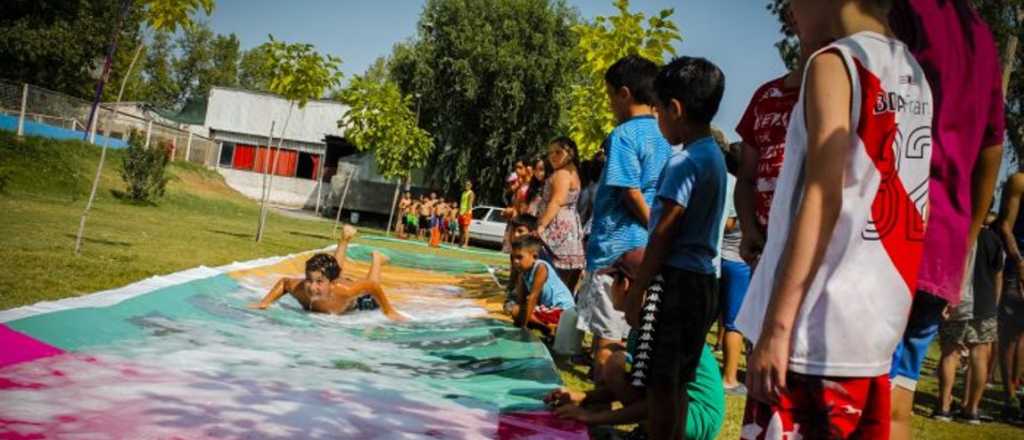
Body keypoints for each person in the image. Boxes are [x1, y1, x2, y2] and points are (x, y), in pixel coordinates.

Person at [735, 0, 934, 437]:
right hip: (873, 326)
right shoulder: (913, 73)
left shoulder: (834, 64)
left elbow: (822, 198)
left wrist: (776, 327)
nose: (789, 11)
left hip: (813, 326)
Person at [887, 1, 1006, 436]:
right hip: (945, 241)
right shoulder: (980, 34)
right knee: (900, 394)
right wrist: (967, 238)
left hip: (887, 228)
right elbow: (992, 147)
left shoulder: (905, 9)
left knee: (854, 387)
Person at [620, 56, 726, 440]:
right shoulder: (713, 156)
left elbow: (664, 231)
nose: (657, 119)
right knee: (679, 381)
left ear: (675, 109)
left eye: (658, 110)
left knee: (661, 385)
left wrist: (639, 290)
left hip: (675, 284)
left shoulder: (684, 162)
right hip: (702, 283)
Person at [577, 55, 672, 383]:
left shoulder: (624, 135)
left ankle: (602, 400)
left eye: (609, 95)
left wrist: (655, 227)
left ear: (625, 94)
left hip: (616, 249)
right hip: (644, 250)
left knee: (607, 337)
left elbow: (628, 190)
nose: (609, 104)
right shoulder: (665, 134)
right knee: (628, 330)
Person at [544, 344, 724, 440]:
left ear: (627, 286)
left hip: (696, 419)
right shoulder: (641, 326)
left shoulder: (659, 330)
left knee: (613, 361)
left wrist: (591, 417)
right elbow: (640, 386)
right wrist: (581, 396)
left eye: (614, 280)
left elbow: (653, 403)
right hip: (683, 411)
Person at [249, 225, 407, 321]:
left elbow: (372, 286)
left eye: (319, 282)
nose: (311, 287)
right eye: (309, 280)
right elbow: (284, 282)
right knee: (332, 270)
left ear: (332, 284)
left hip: (353, 302)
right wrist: (265, 302)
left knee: (368, 295)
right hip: (333, 278)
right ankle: (344, 239)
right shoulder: (301, 288)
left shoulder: (346, 290)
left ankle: (377, 259)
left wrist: (389, 311)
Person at [934, 213, 1003, 424]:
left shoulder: (958, 232)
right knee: (980, 356)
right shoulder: (993, 239)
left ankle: (944, 407)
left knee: (950, 353)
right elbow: (997, 274)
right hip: (984, 304)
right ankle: (971, 409)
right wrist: (995, 304)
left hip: (956, 299)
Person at [718, 142, 749, 395]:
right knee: (735, 323)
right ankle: (729, 378)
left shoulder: (720, 183)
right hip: (738, 263)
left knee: (720, 317)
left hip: (721, 259)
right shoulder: (741, 193)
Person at [506, 237, 577, 346]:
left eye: (519, 257)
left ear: (534, 256)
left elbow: (533, 297)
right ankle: (548, 329)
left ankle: (550, 328)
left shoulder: (541, 267)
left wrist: (523, 328)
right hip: (549, 309)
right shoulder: (524, 272)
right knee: (515, 309)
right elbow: (521, 299)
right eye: (513, 257)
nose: (515, 262)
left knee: (516, 310)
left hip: (562, 310)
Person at [536, 137, 586, 291]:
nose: (552, 156)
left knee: (549, 273)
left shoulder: (562, 174)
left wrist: (541, 226)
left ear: (570, 153)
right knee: (563, 280)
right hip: (570, 225)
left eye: (558, 152)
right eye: (550, 152)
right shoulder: (572, 172)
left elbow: (557, 201)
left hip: (557, 225)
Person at [997, 173, 1024, 421]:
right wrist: (1018, 261)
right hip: (1019, 269)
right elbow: (1005, 225)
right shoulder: (1019, 180)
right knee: (1010, 336)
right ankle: (1009, 398)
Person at [459, 180, 475, 247]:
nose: (467, 186)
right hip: (461, 212)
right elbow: (461, 203)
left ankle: (466, 244)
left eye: (468, 185)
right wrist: (459, 212)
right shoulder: (463, 193)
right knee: (461, 228)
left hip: (467, 213)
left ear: (471, 186)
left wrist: (466, 212)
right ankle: (460, 243)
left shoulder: (471, 193)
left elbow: (470, 203)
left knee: (465, 229)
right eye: (466, 184)